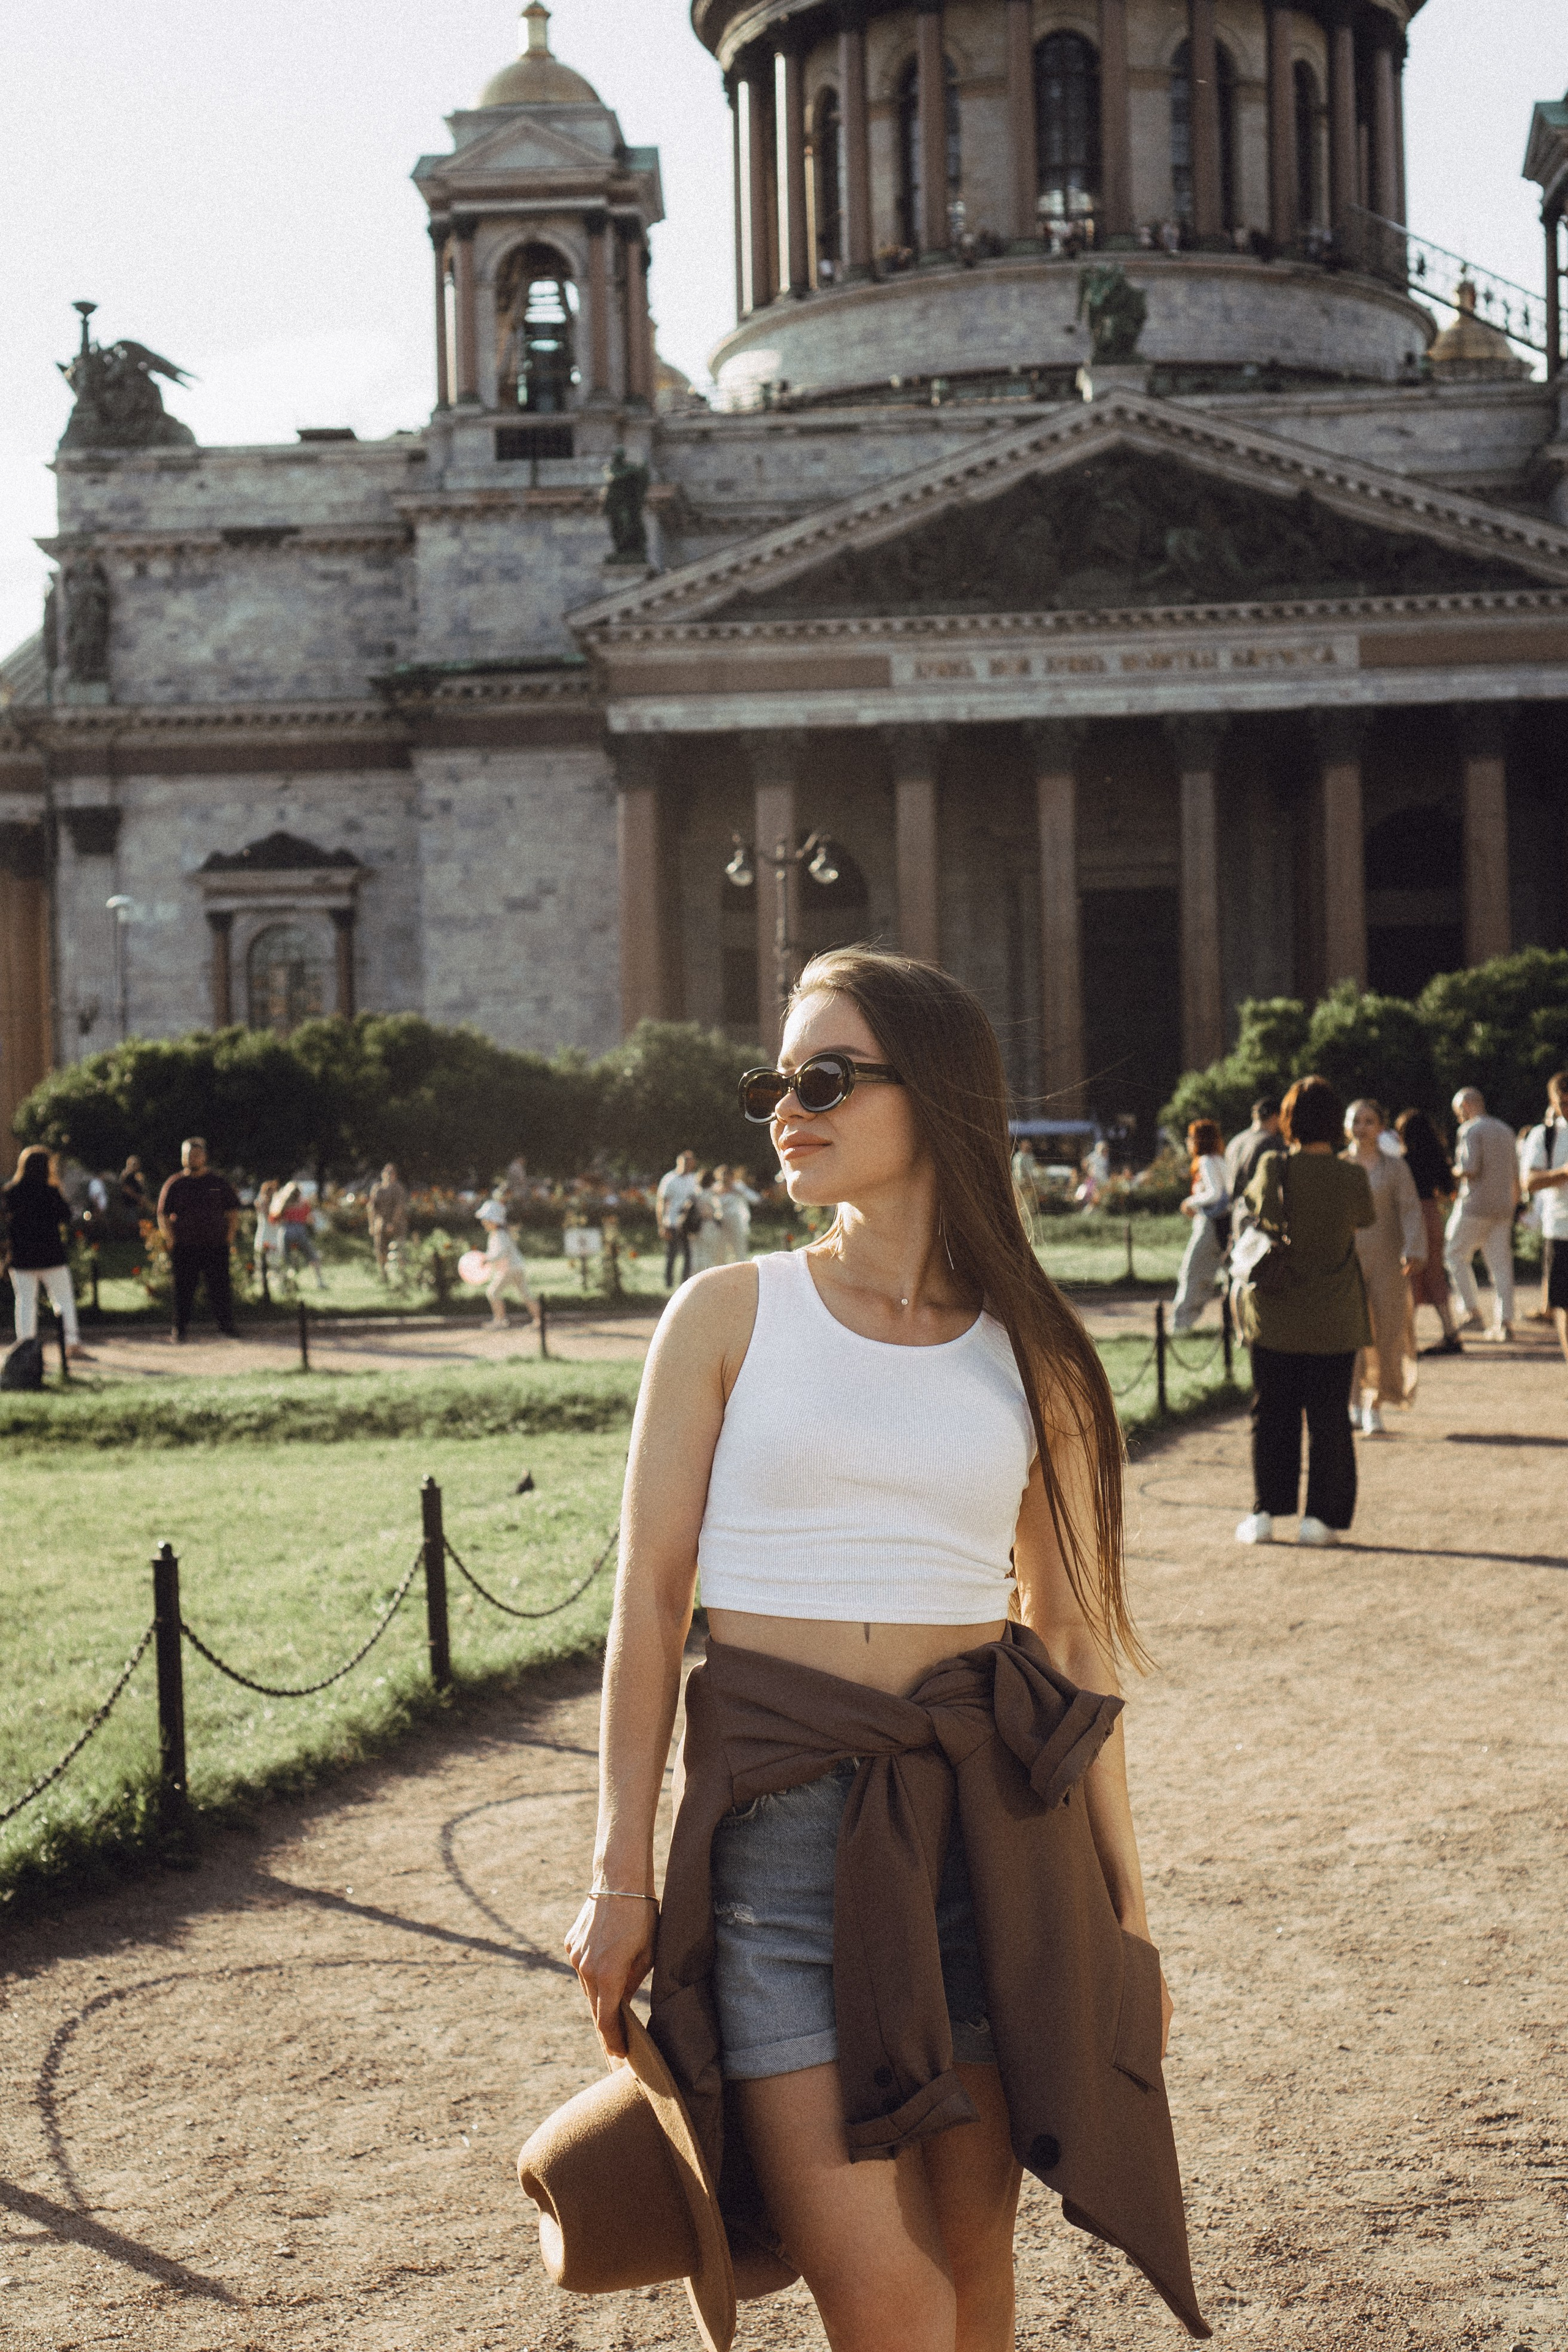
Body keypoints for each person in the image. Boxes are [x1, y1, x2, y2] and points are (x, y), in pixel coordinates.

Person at [567, 946, 1200, 2352]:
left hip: (982, 1836)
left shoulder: (1029, 1349)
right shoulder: (728, 1314)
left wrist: (1126, 1921)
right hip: (774, 1854)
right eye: (773, 1081)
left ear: (936, 1097)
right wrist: (616, 1869)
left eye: (824, 1077)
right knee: (884, 2295)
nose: (784, 1107)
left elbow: (1068, 1641)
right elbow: (650, 1593)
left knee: (974, 2258)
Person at [1234, 1075, 1374, 1549]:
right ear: (1336, 1124)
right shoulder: (1352, 1175)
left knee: (1272, 1414)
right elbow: (1364, 1220)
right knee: (1330, 1418)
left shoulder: (1274, 1164)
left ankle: (1267, 1512)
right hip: (1335, 1315)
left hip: (1276, 1314)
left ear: (1289, 1119)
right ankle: (1321, 1519)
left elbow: (1257, 1211)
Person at [1343, 1101, 1424, 1436]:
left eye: (1369, 1121)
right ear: (1346, 1125)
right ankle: (1351, 1402)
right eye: (1356, 1121)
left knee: (1388, 1332)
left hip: (1389, 1259)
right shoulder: (1338, 1165)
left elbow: (1410, 1209)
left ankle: (1376, 1402)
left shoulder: (1396, 1168)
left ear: (1381, 1126)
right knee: (1350, 1333)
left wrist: (1415, 1248)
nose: (1362, 1127)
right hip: (1345, 1260)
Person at [1, 1147, 93, 1360]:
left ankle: (26, 1347)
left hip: (22, 1255)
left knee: (25, 1301)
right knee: (63, 1300)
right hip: (51, 1254)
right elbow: (66, 1216)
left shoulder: (11, 1192)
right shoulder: (51, 1192)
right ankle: (71, 1344)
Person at [1444, 1088, 1518, 1342]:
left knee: (1454, 1254)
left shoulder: (1470, 1130)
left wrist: (1449, 1171)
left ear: (1466, 1105)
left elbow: (1470, 1168)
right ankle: (1505, 1322)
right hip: (1503, 1206)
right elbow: (1514, 1174)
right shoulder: (1506, 1130)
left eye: (1458, 1111)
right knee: (1500, 1265)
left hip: (1475, 1206)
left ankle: (1471, 1312)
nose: (1458, 1117)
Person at [156, 1137, 241, 1341]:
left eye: (197, 1154)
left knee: (220, 1288)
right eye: (188, 1155)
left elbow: (232, 1211)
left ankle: (226, 1326)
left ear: (204, 1157)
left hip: (215, 1245)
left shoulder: (217, 1183)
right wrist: (171, 1239)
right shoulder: (175, 1184)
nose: (193, 1158)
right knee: (183, 1290)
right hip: (185, 1246)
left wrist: (228, 1237)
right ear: (183, 1158)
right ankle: (180, 1329)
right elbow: (163, 1214)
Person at [1395, 1109, 1463, 1357]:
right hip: (1433, 1215)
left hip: (1412, 1216)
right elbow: (1448, 1189)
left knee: (1410, 1276)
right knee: (1435, 1274)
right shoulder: (1436, 1157)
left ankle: (1405, 1339)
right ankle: (1451, 1332)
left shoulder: (1403, 1161)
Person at [1521, 1070, 1568, 1370]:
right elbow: (1529, 1181)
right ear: (1552, 1102)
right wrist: (1564, 1173)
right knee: (1565, 1306)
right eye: (1563, 1102)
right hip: (1561, 1230)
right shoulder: (1546, 1135)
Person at [1170, 1118, 1229, 1330]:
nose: (1188, 1141)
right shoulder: (1220, 1160)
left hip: (1210, 1224)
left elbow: (1215, 1194)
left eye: (1191, 1137)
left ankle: (1181, 1324)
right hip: (1225, 1225)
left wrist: (1190, 1202)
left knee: (1193, 1271)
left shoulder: (1205, 1161)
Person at [1224, 1098, 1281, 1245]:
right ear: (1276, 1116)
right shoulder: (1271, 1143)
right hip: (1256, 1215)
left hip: (1235, 1211)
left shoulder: (1236, 1141)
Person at [476, 1199, 538, 1330]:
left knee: (493, 1292)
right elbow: (494, 1252)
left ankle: (500, 1321)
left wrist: (487, 1260)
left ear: (493, 1221)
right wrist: (486, 1257)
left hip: (509, 1269)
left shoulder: (500, 1235)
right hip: (516, 1267)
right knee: (526, 1294)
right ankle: (539, 1320)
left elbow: (500, 1253)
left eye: (485, 1219)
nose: (483, 1222)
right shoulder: (498, 1234)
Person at [271, 1176, 328, 1292]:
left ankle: (284, 1285)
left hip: (285, 1231)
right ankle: (320, 1282)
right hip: (300, 1231)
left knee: (285, 1260)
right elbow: (310, 1219)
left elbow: (273, 1219)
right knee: (313, 1257)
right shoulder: (304, 1203)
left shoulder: (282, 1204)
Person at [655, 1148, 699, 1289]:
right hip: (672, 1222)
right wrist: (661, 1225)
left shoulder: (693, 1179)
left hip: (687, 1223)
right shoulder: (670, 1179)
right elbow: (661, 1203)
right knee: (671, 1255)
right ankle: (668, 1284)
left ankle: (684, 1283)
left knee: (688, 1255)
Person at [367, 1162, 410, 1280]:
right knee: (380, 1250)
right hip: (380, 1224)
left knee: (399, 1250)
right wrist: (371, 1225)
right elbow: (371, 1207)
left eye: (390, 1173)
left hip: (397, 1225)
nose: (387, 1174)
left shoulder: (398, 1188)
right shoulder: (377, 1188)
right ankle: (383, 1275)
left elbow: (399, 1207)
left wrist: (393, 1223)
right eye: (385, 1172)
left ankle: (402, 1275)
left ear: (394, 1175)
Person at [715, 1166, 761, 1265]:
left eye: (727, 1176)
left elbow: (756, 1199)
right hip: (720, 1224)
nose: (725, 1179)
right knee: (721, 1252)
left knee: (739, 1251)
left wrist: (738, 1191)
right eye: (722, 1176)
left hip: (737, 1222)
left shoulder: (738, 1186)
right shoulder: (715, 1188)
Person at [688, 1169, 726, 1276]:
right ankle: (707, 1277)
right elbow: (718, 1213)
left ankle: (695, 1277)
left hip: (695, 1226)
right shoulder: (712, 1195)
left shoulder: (695, 1194)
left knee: (696, 1254)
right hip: (709, 1226)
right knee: (709, 1255)